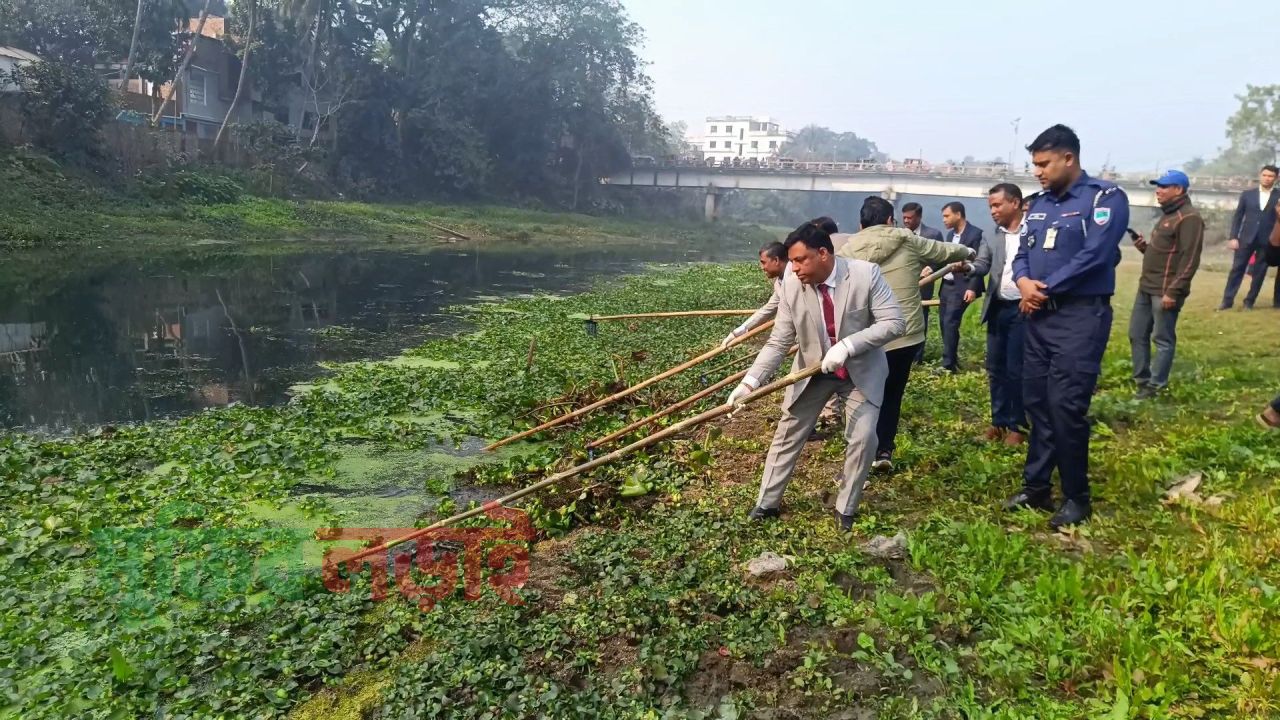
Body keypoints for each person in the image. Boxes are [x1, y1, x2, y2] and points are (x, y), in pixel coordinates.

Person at [728, 222, 905, 531]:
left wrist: (849, 345)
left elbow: (894, 322)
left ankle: (845, 508)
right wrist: (749, 383)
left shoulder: (865, 275)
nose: (794, 269)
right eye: (791, 261)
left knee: (864, 438)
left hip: (859, 371)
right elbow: (779, 341)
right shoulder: (792, 285)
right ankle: (766, 504)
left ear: (823, 253)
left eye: (800, 260)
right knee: (788, 432)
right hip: (814, 370)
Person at [1006, 124, 1129, 531]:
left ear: (1069, 159)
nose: (1038, 171)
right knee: (1037, 401)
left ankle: (1077, 496)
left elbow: (1097, 254)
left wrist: (1045, 288)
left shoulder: (1103, 199)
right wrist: (1024, 283)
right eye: (1034, 164)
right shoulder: (1038, 204)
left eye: (1044, 163)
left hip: (1080, 317)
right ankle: (1037, 487)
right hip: (1038, 316)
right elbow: (1022, 251)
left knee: (1066, 407)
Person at [838, 196, 974, 471]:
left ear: (861, 223)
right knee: (893, 392)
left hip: (864, 335)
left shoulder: (847, 250)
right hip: (903, 332)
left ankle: (860, 449)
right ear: (891, 220)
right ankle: (883, 451)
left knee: (864, 393)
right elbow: (944, 251)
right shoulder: (908, 239)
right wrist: (967, 254)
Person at [1129, 170, 1204, 399]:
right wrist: (1144, 247)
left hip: (1165, 291)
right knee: (1136, 333)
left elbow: (1190, 259)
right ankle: (1142, 381)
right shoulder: (1168, 215)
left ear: (1178, 190)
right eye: (1157, 186)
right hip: (1147, 286)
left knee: (1162, 339)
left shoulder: (1189, 218)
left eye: (1164, 186)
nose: (1158, 190)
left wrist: (1174, 291)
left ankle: (1156, 386)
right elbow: (1165, 252)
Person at [965, 183, 1030, 445]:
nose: (992, 211)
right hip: (998, 308)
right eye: (990, 206)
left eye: (997, 205)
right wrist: (966, 266)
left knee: (1017, 369)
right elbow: (982, 263)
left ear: (1014, 203)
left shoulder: (1033, 232)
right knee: (996, 368)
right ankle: (998, 422)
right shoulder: (992, 235)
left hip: (1024, 311)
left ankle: (1018, 425)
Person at [1219, 165, 1278, 310]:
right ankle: (1227, 302)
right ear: (1260, 175)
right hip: (1246, 238)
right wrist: (1233, 237)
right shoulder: (1247, 194)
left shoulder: (1278, 196)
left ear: (1276, 178)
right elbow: (1238, 216)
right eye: (1264, 175)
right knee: (1237, 269)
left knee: (1259, 272)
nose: (1267, 178)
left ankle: (1249, 302)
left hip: (1267, 240)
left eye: (1270, 176)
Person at [937, 202, 984, 372]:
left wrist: (972, 287)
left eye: (947, 216)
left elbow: (979, 262)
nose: (944, 220)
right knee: (944, 322)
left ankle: (947, 365)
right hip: (947, 285)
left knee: (950, 321)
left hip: (963, 286)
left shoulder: (975, 234)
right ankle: (952, 359)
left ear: (958, 215)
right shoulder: (950, 236)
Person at [721, 242, 790, 348]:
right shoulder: (779, 283)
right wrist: (736, 333)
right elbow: (767, 310)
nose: (762, 267)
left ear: (776, 260)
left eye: (763, 262)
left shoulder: (800, 277)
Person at [902, 202, 945, 363]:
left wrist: (930, 268)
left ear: (919, 217)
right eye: (904, 217)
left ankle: (917, 358)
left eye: (910, 218)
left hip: (923, 285)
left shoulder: (933, 234)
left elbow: (941, 258)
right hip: (902, 284)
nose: (906, 221)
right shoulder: (898, 234)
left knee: (920, 320)